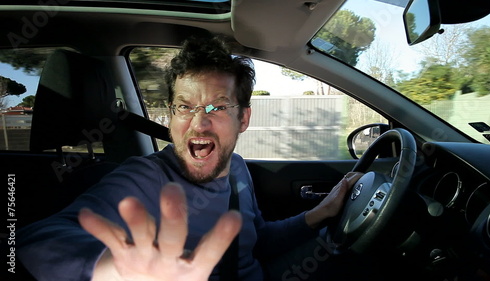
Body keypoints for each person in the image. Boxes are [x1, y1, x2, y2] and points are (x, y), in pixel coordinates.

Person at [18, 36, 362, 281]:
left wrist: (322, 212)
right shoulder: (144, 178)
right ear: (171, 115)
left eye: (218, 106)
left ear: (243, 118)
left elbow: (258, 240)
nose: (199, 121)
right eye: (185, 106)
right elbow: (41, 239)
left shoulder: (237, 167)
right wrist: (114, 269)